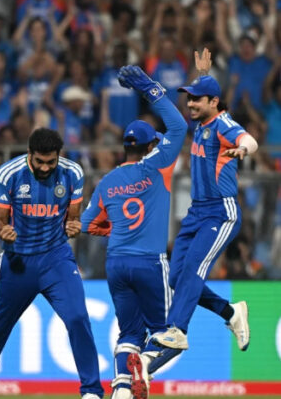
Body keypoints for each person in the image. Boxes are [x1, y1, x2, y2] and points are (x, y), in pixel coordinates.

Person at [0, 128, 104, 399]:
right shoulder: (8, 174)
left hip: (56, 258)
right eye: (39, 161)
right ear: (29, 153)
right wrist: (3, 231)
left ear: (59, 156)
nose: (44, 167)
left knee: (78, 317)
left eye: (50, 162)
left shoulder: (73, 173)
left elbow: (73, 218)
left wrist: (74, 226)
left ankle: (91, 391)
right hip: (18, 261)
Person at [80, 65, 188, 399]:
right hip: (150, 262)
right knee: (171, 335)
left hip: (116, 263)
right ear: (152, 144)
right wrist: (149, 88)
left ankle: (122, 391)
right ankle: (143, 364)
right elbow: (179, 125)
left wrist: (113, 230)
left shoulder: (107, 181)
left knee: (128, 333)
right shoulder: (158, 165)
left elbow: (86, 224)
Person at [150, 49, 255, 356]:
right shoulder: (201, 121)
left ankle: (177, 330)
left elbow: (248, 139)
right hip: (196, 212)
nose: (191, 104)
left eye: (197, 99)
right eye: (190, 99)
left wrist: (243, 150)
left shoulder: (224, 124)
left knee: (195, 267)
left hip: (221, 212)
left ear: (214, 102)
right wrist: (203, 76)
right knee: (177, 278)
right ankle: (231, 313)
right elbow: (206, 96)